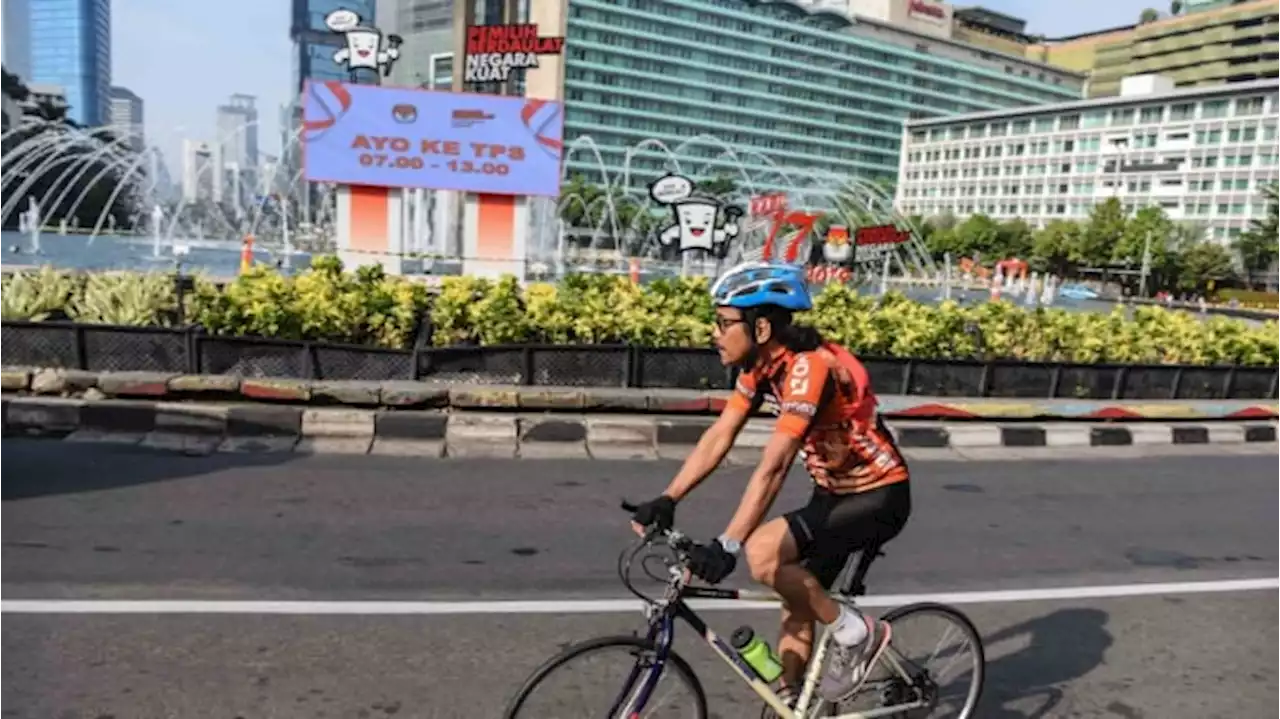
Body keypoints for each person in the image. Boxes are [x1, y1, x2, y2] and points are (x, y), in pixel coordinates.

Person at [628, 261, 913, 712]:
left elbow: (775, 465)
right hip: (833, 494)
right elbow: (720, 435)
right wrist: (668, 498)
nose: (714, 333)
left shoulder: (808, 368)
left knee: (762, 554)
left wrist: (729, 543)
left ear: (761, 327)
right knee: (796, 600)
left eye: (724, 323)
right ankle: (794, 704)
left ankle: (859, 632)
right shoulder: (759, 368)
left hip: (877, 495)